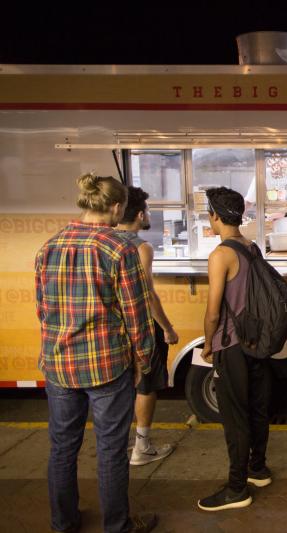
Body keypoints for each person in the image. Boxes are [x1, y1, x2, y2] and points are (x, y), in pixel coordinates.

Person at [35, 174, 157, 533]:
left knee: (61, 448)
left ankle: (64, 523)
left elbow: (42, 309)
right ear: (117, 207)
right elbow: (137, 315)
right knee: (110, 450)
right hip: (106, 365)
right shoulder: (120, 249)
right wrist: (143, 361)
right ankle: (117, 526)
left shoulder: (49, 245)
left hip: (58, 364)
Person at [197, 186, 273, 511]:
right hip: (256, 342)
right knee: (257, 409)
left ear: (215, 215)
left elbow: (214, 310)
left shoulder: (220, 255)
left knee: (235, 417)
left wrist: (207, 344)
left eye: (208, 213)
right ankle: (258, 468)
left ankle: (237, 489)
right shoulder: (250, 247)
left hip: (231, 345)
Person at [116, 186, 179, 466]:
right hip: (140, 327)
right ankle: (142, 446)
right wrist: (167, 327)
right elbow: (147, 293)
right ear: (140, 214)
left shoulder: (104, 241)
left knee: (119, 385)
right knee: (145, 384)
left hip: (113, 328)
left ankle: (117, 444)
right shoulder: (141, 247)